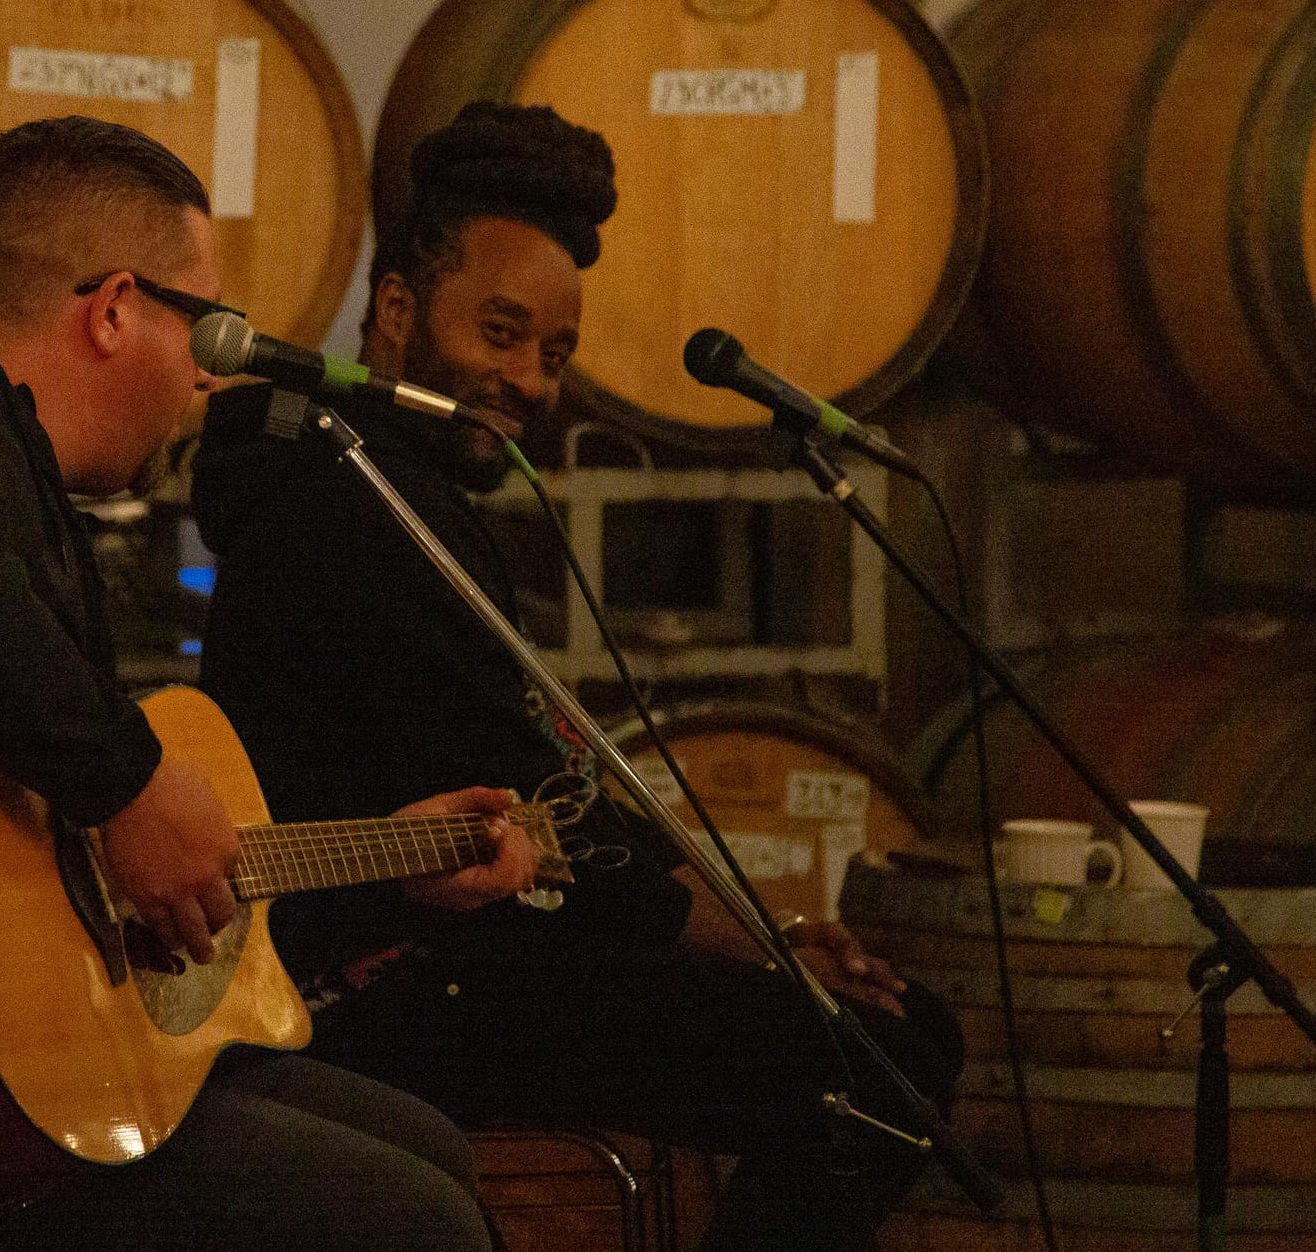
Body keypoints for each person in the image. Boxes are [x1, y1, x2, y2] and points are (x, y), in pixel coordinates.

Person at [0, 116, 515, 1252]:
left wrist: (385, 860)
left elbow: (52, 873)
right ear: (112, 308)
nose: (213, 371)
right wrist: (129, 783)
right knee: (412, 1223)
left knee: (427, 1153)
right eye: (201, 324)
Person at [194, 102, 966, 1251]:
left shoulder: (392, 486)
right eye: (499, 332)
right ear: (396, 312)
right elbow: (545, 810)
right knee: (878, 1061)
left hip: (469, 946)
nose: (527, 379)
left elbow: (545, 777)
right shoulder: (343, 500)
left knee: (874, 1037)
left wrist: (769, 932)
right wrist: (762, 944)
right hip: (377, 981)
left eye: (552, 353)